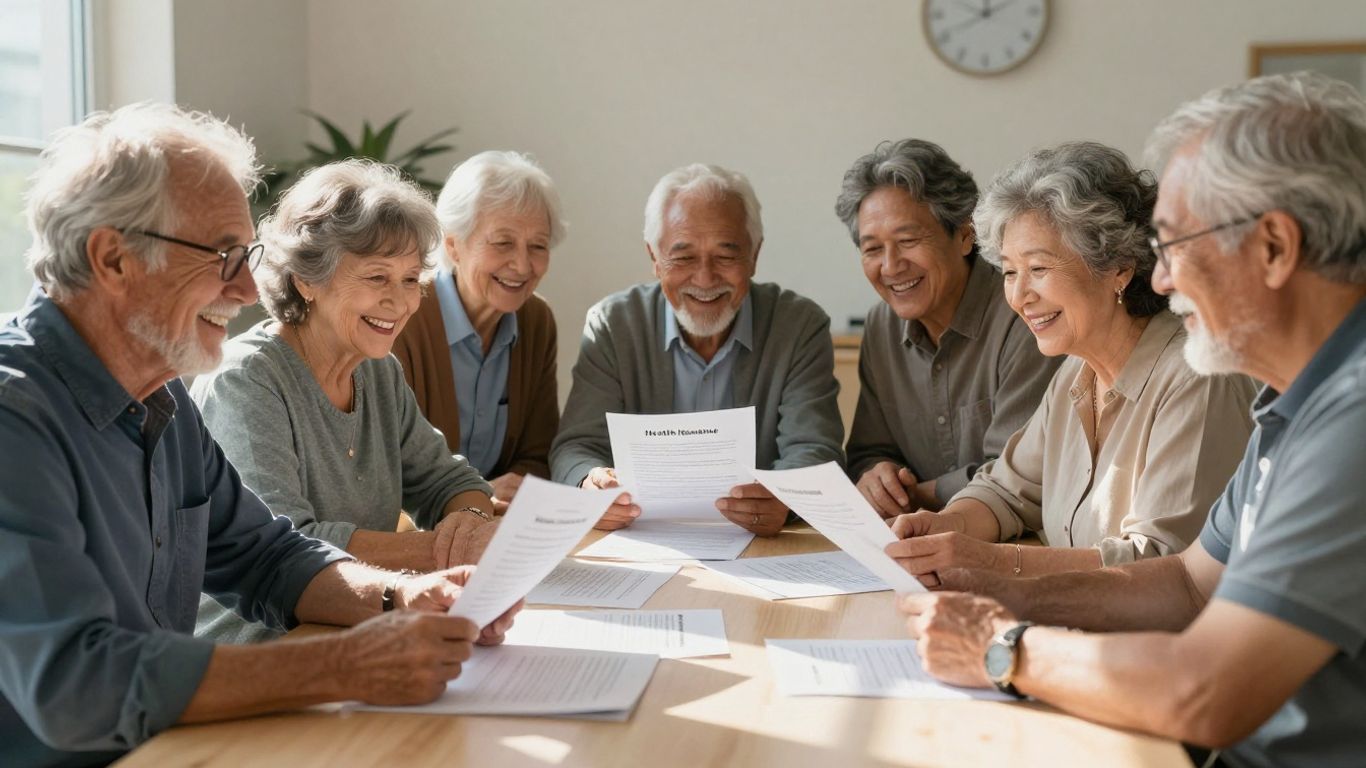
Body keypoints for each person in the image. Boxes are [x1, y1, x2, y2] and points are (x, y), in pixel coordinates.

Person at [0, 104, 518, 767]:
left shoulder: (158, 395)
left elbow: (265, 555)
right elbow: (75, 683)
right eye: (222, 255)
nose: (248, 288)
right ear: (114, 257)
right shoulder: (15, 418)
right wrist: (346, 665)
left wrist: (401, 597)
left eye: (244, 255)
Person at [894, 72, 1366, 766]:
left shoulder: (1350, 420)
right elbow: (1184, 584)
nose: (1164, 278)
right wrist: (1000, 588)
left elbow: (1206, 691)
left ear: (1273, 247)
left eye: (1177, 243)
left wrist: (1001, 646)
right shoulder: (1294, 403)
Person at [887, 141, 1255, 581]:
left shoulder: (1196, 378)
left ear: (1118, 267)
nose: (1019, 296)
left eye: (1038, 269)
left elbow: (1159, 566)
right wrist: (949, 524)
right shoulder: (1075, 373)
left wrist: (989, 561)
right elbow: (1005, 490)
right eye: (1008, 271)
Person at [192, 160, 501, 645]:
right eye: (377, 277)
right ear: (307, 279)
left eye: (410, 279)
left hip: (360, 631)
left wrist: (471, 521)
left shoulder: (377, 370)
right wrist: (444, 551)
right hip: (261, 648)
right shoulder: (246, 380)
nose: (399, 303)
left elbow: (449, 480)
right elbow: (289, 544)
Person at [550, 163, 844, 537]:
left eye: (725, 256)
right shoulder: (613, 324)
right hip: (643, 544)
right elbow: (575, 447)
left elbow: (815, 449)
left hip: (762, 545)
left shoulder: (799, 325)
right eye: (684, 256)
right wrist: (588, 485)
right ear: (654, 258)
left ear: (754, 255)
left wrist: (785, 500)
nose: (705, 279)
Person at [835, 139, 1061, 516]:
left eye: (908, 241)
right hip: (911, 543)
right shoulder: (881, 326)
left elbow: (1019, 473)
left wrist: (914, 495)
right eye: (872, 249)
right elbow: (869, 452)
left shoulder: (1023, 311)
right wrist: (877, 477)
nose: (890, 267)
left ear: (964, 234)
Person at [393, 151, 565, 512]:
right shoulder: (403, 316)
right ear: (453, 245)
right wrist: (476, 496)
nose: (522, 265)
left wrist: (503, 497)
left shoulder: (536, 321)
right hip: (420, 536)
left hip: (500, 528)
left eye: (538, 246)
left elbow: (537, 454)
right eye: (503, 242)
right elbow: (388, 475)